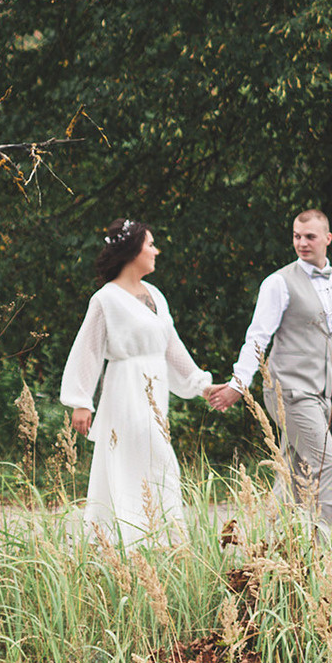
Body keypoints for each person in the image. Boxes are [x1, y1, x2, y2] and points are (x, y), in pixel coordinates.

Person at [206, 208, 332, 541]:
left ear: (327, 239)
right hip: (287, 389)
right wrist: (239, 383)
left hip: (320, 392)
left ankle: (267, 545)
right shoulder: (279, 282)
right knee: (326, 463)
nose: (302, 243)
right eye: (296, 236)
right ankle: (320, 550)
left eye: (309, 236)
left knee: (296, 471)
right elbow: (258, 337)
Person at [60, 220, 231, 545]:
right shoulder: (106, 299)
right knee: (142, 460)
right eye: (150, 244)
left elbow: (171, 347)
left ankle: (154, 541)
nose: (156, 251)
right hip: (125, 389)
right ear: (132, 249)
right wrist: (81, 400)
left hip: (156, 393)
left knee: (154, 461)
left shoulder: (156, 295)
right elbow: (88, 349)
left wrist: (202, 385)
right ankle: (136, 541)